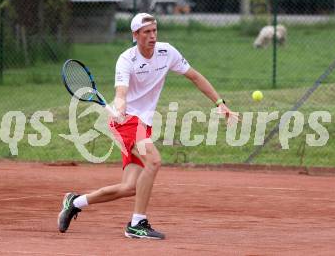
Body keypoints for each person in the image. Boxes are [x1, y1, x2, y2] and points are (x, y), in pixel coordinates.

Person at [58, 13, 238, 239]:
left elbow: (194, 76)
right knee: (154, 160)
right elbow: (121, 93)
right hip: (125, 121)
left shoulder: (167, 52)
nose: (152, 36)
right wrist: (121, 106)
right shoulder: (126, 60)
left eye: (154, 30)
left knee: (130, 187)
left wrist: (220, 103)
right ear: (135, 35)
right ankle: (137, 224)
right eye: (146, 32)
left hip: (143, 123)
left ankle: (75, 202)